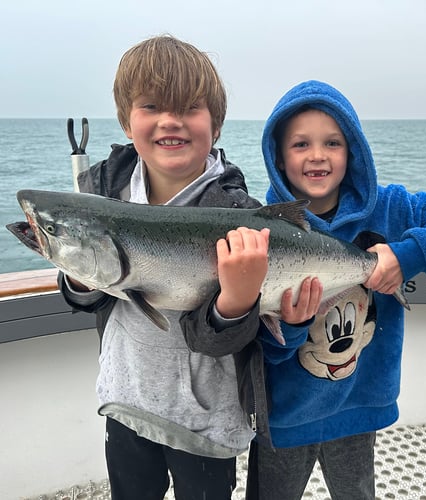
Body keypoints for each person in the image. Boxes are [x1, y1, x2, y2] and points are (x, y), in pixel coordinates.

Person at [57, 35, 271, 500]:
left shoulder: (240, 215)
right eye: (152, 105)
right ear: (126, 121)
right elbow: (88, 296)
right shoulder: (101, 194)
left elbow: (225, 341)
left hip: (206, 420)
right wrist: (79, 273)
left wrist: (237, 302)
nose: (170, 120)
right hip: (125, 399)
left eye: (190, 107)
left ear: (215, 126)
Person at [246, 80, 426, 500]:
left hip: (359, 404)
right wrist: (293, 326)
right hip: (285, 415)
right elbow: (263, 343)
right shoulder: (260, 230)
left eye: (332, 143)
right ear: (278, 157)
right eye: (300, 145)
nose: (317, 155)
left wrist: (405, 256)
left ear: (352, 151)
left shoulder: (389, 208)